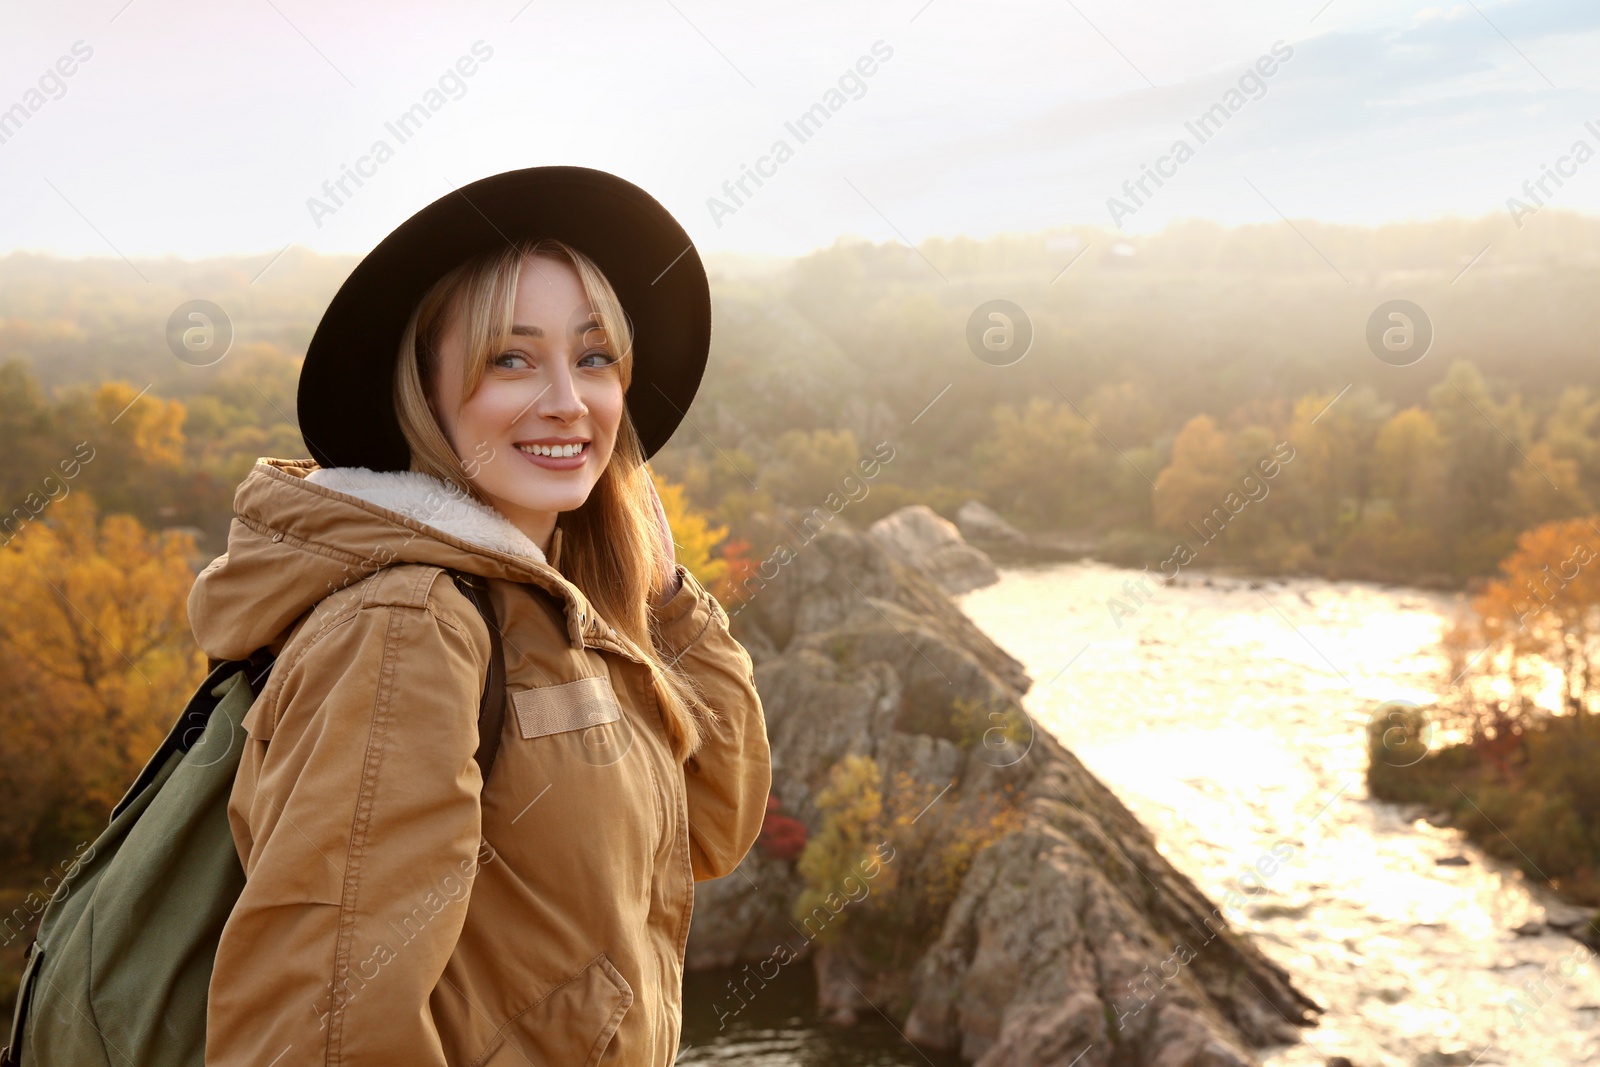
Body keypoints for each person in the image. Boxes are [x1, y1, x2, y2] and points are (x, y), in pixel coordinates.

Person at [189, 167, 771, 1066]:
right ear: (424, 390)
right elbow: (320, 1029)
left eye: (592, 357)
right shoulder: (410, 625)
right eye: (511, 358)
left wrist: (664, 598)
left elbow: (711, 827)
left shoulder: (547, 611)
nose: (569, 402)